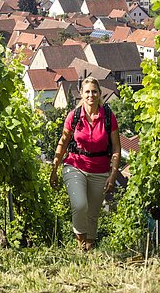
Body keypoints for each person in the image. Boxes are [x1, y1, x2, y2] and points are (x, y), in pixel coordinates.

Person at [49, 76, 121, 251]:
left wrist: (113, 175)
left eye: (94, 91)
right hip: (75, 165)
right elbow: (63, 142)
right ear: (81, 94)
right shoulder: (74, 116)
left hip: (100, 169)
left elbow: (117, 148)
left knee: (93, 214)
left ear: (100, 94)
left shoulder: (108, 117)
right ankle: (80, 244)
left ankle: (89, 248)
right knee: (80, 205)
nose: (91, 95)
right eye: (87, 92)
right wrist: (54, 168)